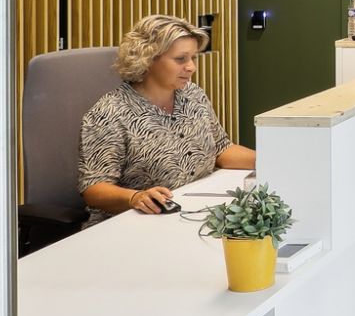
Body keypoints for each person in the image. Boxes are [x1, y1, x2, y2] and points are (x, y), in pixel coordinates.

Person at [77, 14, 256, 223]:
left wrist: (272, 161)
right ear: (147, 58)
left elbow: (222, 150)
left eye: (193, 58)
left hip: (195, 210)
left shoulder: (193, 94)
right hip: (136, 222)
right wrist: (135, 198)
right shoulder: (109, 113)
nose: (191, 67)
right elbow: (94, 188)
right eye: (181, 59)